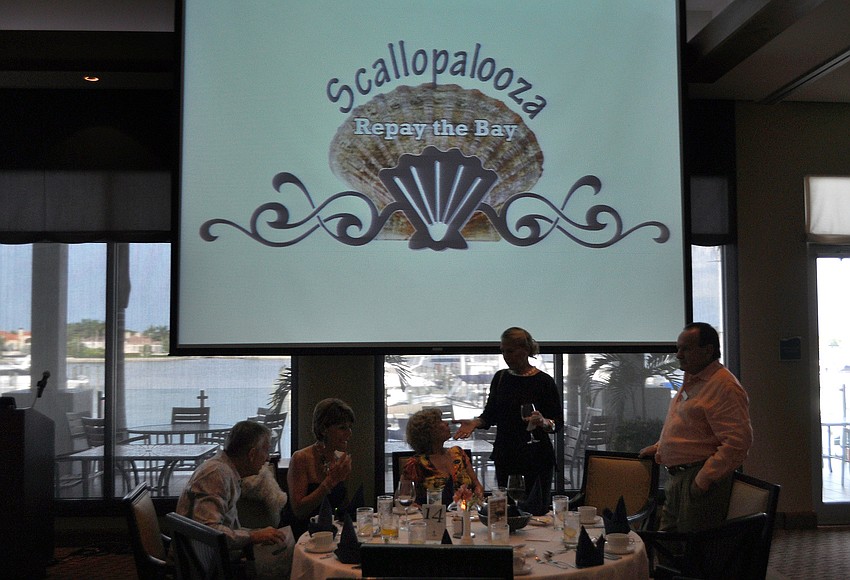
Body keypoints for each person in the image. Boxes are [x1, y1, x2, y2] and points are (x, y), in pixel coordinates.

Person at [639, 322, 753, 533]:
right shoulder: (694, 379)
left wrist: (703, 480)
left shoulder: (723, 386)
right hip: (678, 479)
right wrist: (660, 447)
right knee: (670, 549)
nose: (679, 355)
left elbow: (739, 442)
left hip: (696, 480)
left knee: (694, 554)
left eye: (686, 349)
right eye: (678, 349)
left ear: (708, 350)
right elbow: (689, 426)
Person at [454, 327, 561, 507]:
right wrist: (475, 422)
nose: (505, 356)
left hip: (536, 457)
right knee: (506, 510)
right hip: (506, 454)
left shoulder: (544, 381)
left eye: (510, 351)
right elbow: (490, 415)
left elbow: (557, 424)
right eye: (503, 351)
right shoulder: (501, 378)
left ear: (525, 350)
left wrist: (543, 422)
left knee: (536, 509)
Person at [176, 420, 292, 574]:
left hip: (213, 559)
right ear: (251, 454)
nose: (267, 458)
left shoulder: (225, 470)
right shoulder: (216, 475)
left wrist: (256, 534)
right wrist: (252, 536)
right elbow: (208, 531)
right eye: (265, 451)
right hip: (206, 568)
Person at [285, 398, 354, 539]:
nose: (349, 434)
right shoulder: (301, 458)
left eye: (349, 427)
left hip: (331, 532)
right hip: (304, 534)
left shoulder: (340, 458)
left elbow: (340, 504)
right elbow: (299, 511)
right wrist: (330, 482)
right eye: (342, 428)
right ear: (323, 429)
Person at [402, 407, 484, 503]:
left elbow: (476, 484)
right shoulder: (416, 464)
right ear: (428, 432)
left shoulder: (457, 453)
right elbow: (404, 498)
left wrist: (478, 493)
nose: (446, 423)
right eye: (440, 422)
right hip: (433, 516)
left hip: (465, 514)